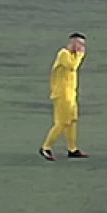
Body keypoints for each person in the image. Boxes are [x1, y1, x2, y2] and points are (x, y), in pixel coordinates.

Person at [39, 33, 87, 161]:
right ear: (72, 42)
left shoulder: (72, 55)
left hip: (70, 94)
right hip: (62, 94)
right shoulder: (64, 54)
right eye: (80, 44)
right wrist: (81, 55)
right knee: (61, 122)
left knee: (72, 121)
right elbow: (72, 67)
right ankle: (45, 147)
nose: (82, 47)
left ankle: (72, 149)